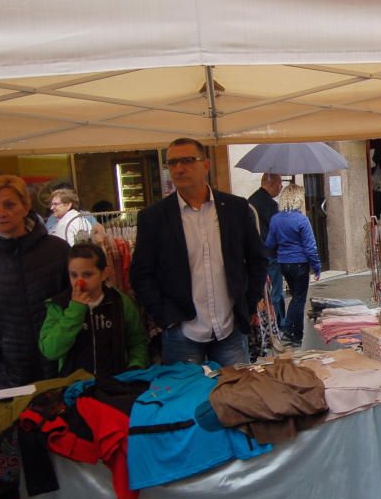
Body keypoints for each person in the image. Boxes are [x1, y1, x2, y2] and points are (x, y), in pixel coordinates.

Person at [130, 138, 267, 366]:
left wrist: (248, 303)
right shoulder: (154, 218)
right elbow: (141, 274)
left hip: (229, 328)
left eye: (186, 161)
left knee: (236, 396)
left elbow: (258, 260)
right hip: (182, 331)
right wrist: (165, 317)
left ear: (205, 165)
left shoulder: (235, 209)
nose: (179, 169)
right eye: (172, 163)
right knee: (188, 399)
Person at [0, 175, 70, 388]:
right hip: (13, 372)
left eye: (9, 205)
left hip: (60, 364)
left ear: (25, 205)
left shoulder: (57, 250)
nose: (1, 213)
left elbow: (75, 301)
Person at [39, 243, 149, 377]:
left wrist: (135, 367)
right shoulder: (58, 305)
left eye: (87, 275)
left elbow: (137, 342)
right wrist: (75, 311)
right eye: (74, 275)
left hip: (116, 383)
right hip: (75, 387)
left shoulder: (120, 301)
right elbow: (50, 350)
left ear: (104, 274)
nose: (79, 282)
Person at [265, 183, 321, 346]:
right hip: (299, 263)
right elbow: (310, 247)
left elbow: (269, 243)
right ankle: (289, 330)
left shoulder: (276, 219)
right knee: (298, 299)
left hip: (283, 263)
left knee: (297, 297)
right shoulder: (302, 220)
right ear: (297, 199)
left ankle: (297, 335)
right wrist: (316, 267)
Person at [248, 173, 286, 323]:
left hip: (256, 252)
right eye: (279, 184)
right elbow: (277, 230)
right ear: (271, 184)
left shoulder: (250, 200)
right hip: (270, 253)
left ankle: (267, 321)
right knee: (276, 291)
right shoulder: (270, 205)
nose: (281, 187)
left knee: (263, 291)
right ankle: (279, 322)